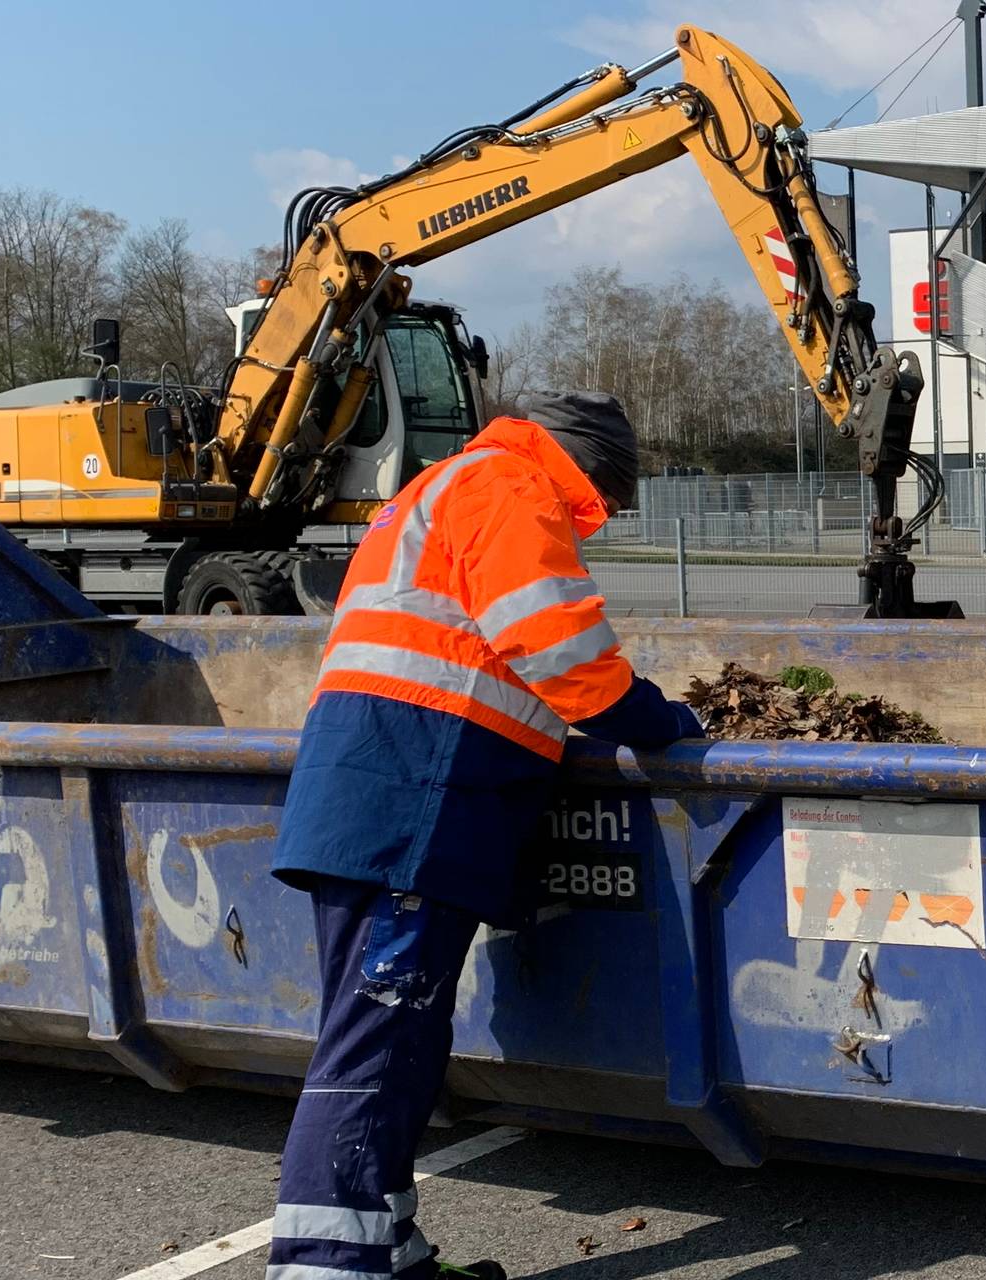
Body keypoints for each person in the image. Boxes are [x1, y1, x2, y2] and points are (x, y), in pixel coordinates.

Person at [263, 391, 703, 1280]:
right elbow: (558, 647)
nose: (606, 515)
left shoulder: (446, 486)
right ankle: (323, 1267)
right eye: (608, 494)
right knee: (378, 1040)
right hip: (417, 795)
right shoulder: (510, 486)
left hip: (388, 789)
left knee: (400, 1043)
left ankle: (386, 1253)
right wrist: (662, 720)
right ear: (581, 460)